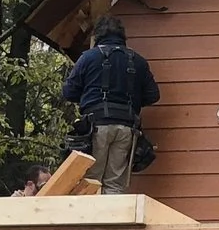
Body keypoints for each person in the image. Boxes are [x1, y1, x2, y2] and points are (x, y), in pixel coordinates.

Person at [61, 17, 159, 193]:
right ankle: (112, 220)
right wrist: (131, 101)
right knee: (115, 184)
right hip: (127, 128)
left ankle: (91, 220)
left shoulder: (88, 58)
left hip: (95, 126)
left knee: (91, 180)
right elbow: (153, 95)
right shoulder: (138, 61)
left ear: (97, 36)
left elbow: (69, 92)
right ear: (122, 36)